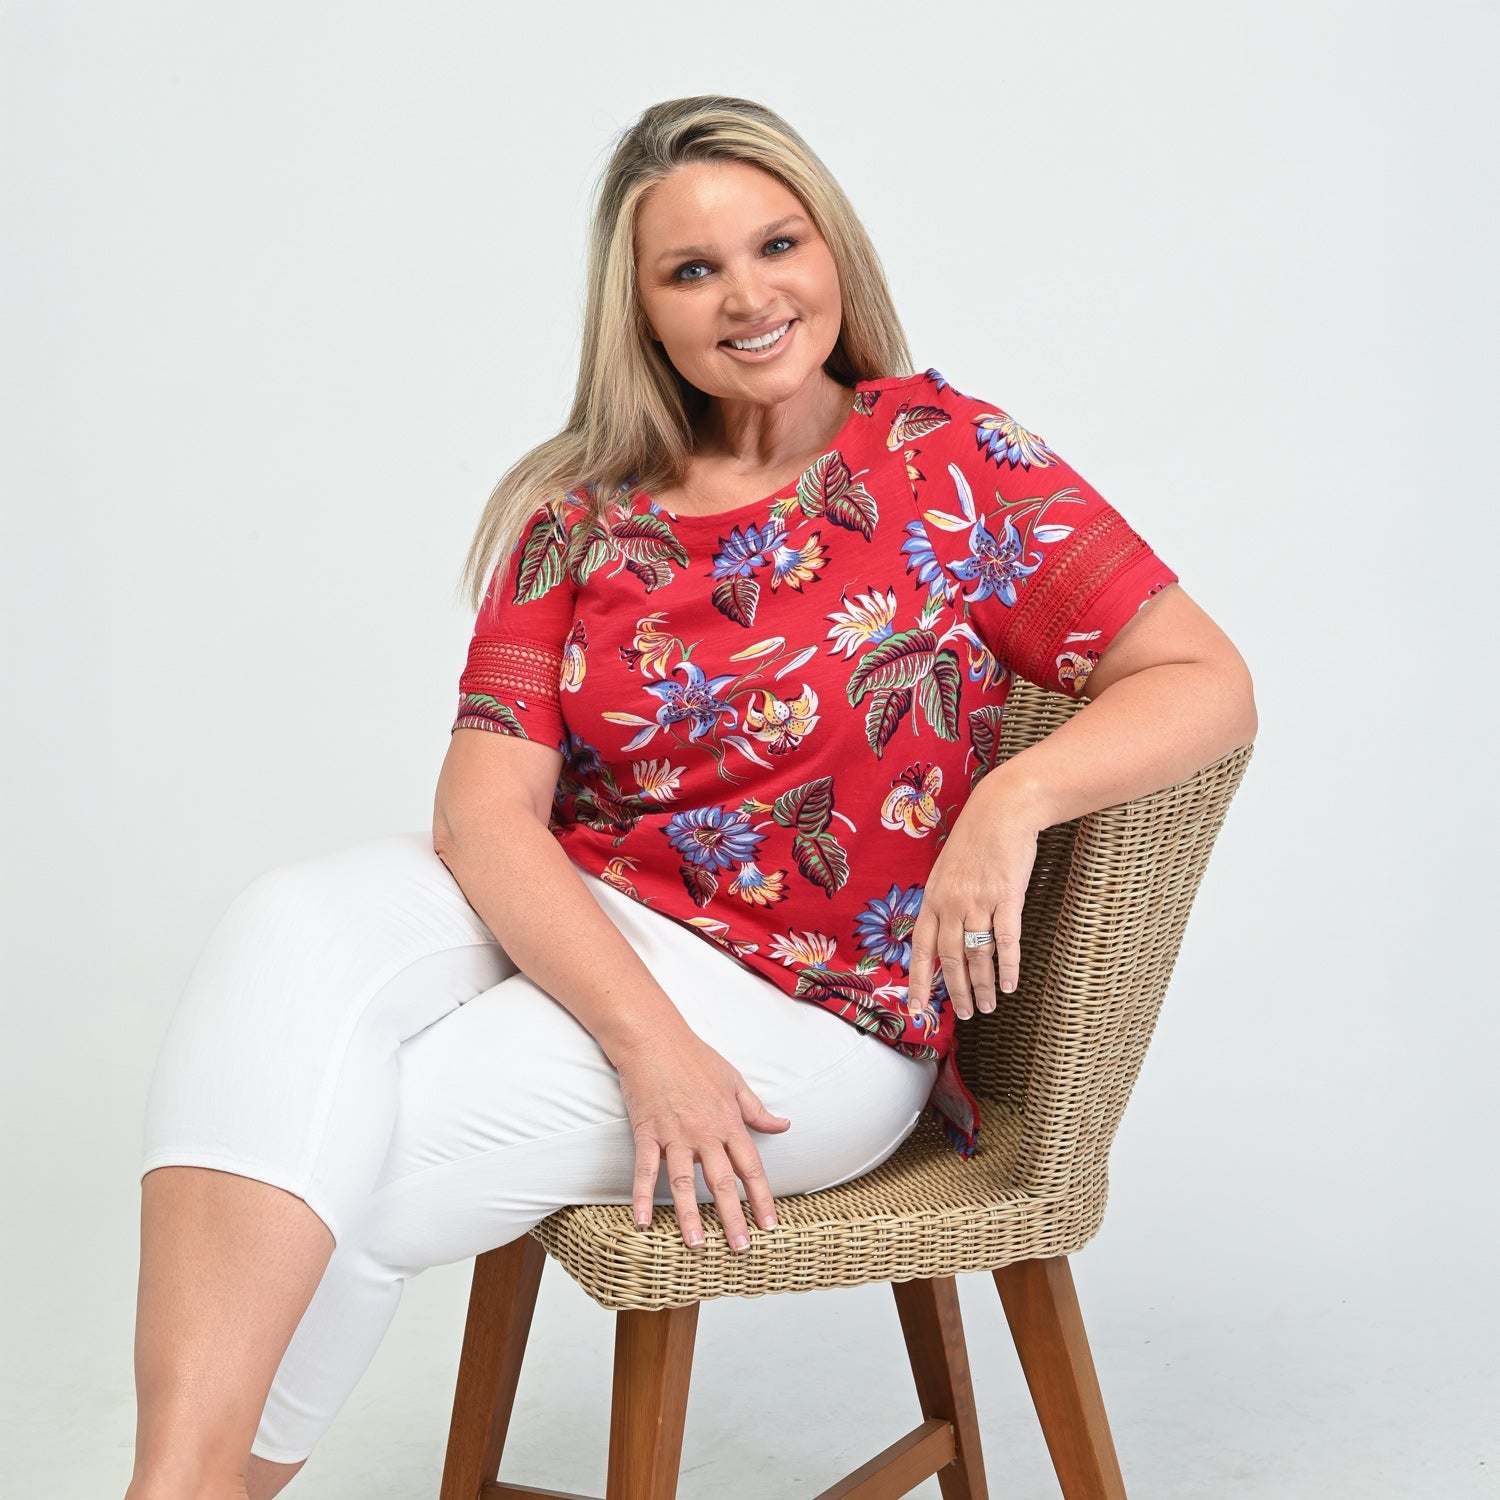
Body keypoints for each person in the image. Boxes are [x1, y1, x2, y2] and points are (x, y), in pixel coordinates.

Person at [125, 94, 1257, 1500]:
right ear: (643, 312)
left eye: (777, 244)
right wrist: (647, 1043)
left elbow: (1206, 679)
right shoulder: (577, 510)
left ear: (832, 248)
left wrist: (1011, 798)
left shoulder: (952, 461)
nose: (749, 296)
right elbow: (484, 816)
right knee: (288, 926)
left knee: (344, 1154)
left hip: (815, 1013)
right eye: (692, 269)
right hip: (609, 933)